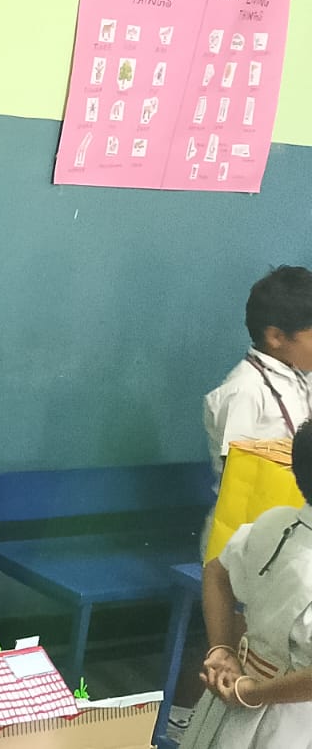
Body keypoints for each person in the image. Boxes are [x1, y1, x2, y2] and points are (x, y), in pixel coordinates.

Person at [180, 419, 312, 748]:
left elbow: (216, 572)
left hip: (236, 684)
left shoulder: (274, 521)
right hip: (290, 715)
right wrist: (252, 693)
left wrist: (221, 648)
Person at [203, 266, 312, 478]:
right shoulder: (244, 391)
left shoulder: (301, 377)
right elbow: (239, 478)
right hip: (264, 499)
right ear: (276, 337)